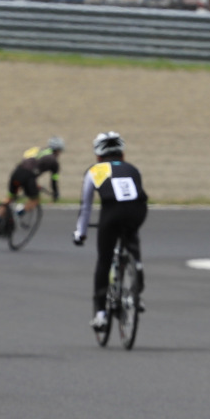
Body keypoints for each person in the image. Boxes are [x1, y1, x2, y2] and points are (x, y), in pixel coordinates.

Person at [72, 131, 148, 330]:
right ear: (122, 155)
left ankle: (101, 314)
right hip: (138, 211)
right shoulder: (133, 168)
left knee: (104, 260)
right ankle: (137, 282)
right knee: (131, 240)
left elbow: (86, 206)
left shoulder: (95, 170)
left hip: (112, 212)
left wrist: (80, 233)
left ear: (98, 156)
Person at [0, 136, 63, 221]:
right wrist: (55, 193)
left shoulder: (38, 150)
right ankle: (18, 212)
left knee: (10, 198)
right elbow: (53, 180)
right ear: (58, 150)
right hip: (28, 176)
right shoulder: (54, 162)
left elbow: (30, 163)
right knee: (35, 199)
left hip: (17, 171)